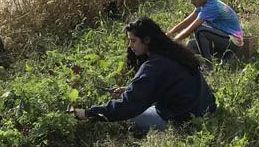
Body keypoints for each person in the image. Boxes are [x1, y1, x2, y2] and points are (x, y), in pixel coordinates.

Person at [70, 17, 216, 130]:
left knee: (130, 113)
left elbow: (127, 107)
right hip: (207, 108)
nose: (130, 46)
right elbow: (166, 85)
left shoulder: (153, 66)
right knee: (138, 101)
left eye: (133, 41)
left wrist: (88, 113)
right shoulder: (174, 52)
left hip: (184, 119)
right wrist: (130, 90)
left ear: (147, 40)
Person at [168, 0, 244, 62]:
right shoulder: (202, 4)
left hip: (233, 42)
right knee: (191, 45)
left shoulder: (211, 6)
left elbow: (190, 29)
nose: (191, 2)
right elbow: (187, 21)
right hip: (223, 38)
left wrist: (172, 42)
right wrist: (169, 33)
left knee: (199, 30)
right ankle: (190, 67)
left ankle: (208, 66)